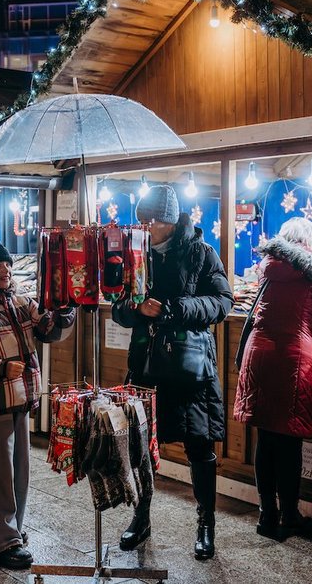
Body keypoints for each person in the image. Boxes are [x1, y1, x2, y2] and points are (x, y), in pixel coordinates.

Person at [112, 185, 233, 560]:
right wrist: (136, 310)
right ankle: (141, 516)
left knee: (200, 445)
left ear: (172, 220)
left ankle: (206, 524)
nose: (147, 227)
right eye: (143, 220)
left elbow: (222, 302)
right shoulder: (135, 253)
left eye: (155, 221)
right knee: (141, 446)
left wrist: (175, 308)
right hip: (147, 365)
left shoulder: (201, 252)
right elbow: (118, 306)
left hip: (190, 367)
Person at [0, 239, 76, 570]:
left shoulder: (21, 301)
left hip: (22, 399)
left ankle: (12, 533)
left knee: (18, 473)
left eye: (7, 264)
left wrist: (67, 306)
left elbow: (49, 328)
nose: (6, 270)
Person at [233, 218, 312, 540]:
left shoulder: (268, 266)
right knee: (288, 443)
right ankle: (289, 515)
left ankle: (266, 515)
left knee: (266, 440)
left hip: (258, 356)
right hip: (292, 360)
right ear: (310, 242)